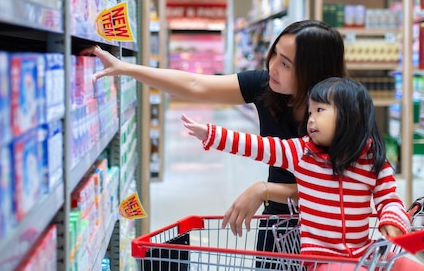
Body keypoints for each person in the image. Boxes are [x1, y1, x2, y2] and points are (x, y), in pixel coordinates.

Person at [82, 20, 347, 239]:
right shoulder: (267, 86)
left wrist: (264, 189)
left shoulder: (345, 112)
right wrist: (126, 68)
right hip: (277, 222)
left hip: (326, 229)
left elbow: (339, 187)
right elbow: (195, 84)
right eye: (274, 53)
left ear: (312, 72)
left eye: (286, 63)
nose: (273, 66)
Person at [182, 77, 424, 271]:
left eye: (320, 111)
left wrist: (392, 221)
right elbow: (259, 146)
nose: (311, 120)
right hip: (321, 260)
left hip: (363, 252)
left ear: (352, 117)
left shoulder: (372, 159)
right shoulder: (301, 152)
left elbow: (389, 198)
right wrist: (211, 134)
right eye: (310, 112)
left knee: (412, 266)